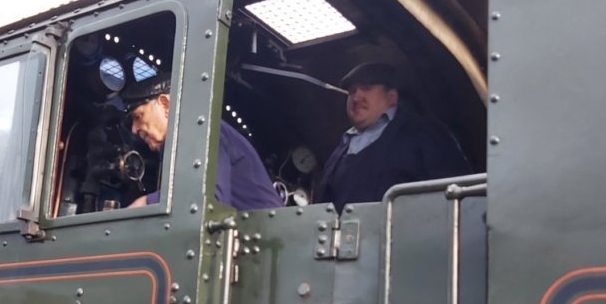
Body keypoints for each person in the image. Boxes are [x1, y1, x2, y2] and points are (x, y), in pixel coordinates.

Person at [317, 62, 471, 212]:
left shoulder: (423, 132)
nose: (356, 98)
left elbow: (454, 191)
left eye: (366, 88)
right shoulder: (342, 146)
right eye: (352, 91)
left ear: (391, 97)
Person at [123, 75, 281, 210]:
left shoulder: (197, 128)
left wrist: (144, 203)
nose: (134, 129)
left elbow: (207, 200)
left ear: (165, 105)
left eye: (138, 116)